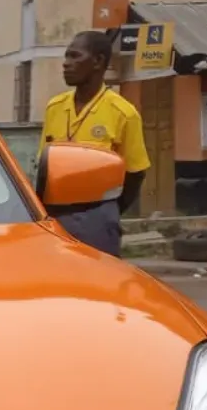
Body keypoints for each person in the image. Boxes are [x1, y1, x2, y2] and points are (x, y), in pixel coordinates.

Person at [39, 30, 151, 256]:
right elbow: (44, 166)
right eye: (66, 57)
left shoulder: (123, 113)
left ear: (98, 62)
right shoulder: (55, 107)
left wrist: (107, 213)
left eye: (75, 57)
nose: (66, 64)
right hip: (55, 219)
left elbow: (135, 173)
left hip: (97, 221)